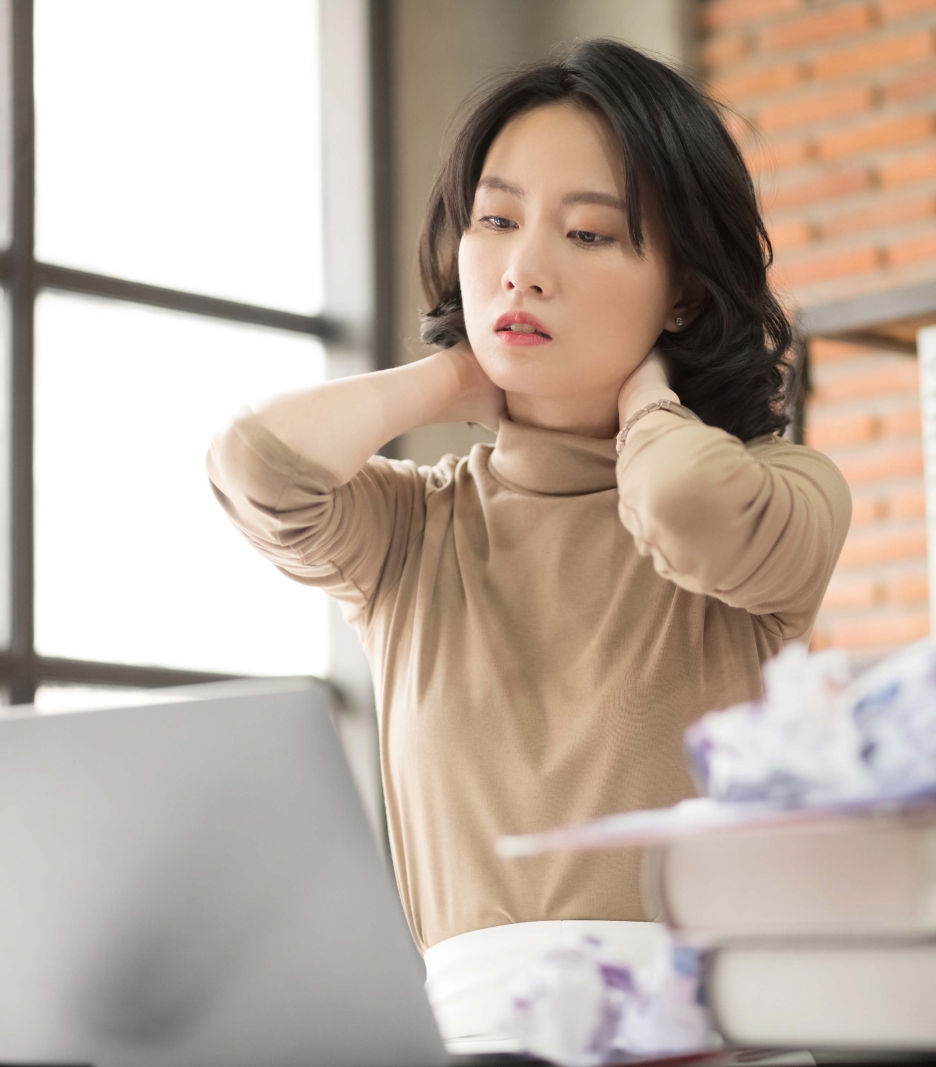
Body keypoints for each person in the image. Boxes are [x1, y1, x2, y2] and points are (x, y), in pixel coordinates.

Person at [206, 38, 851, 1051]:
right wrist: (450, 379)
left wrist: (650, 390)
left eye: (590, 234)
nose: (522, 267)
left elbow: (681, 498)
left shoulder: (782, 493)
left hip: (708, 1037)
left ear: (680, 290)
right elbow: (254, 463)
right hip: (471, 1037)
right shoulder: (413, 532)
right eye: (495, 221)